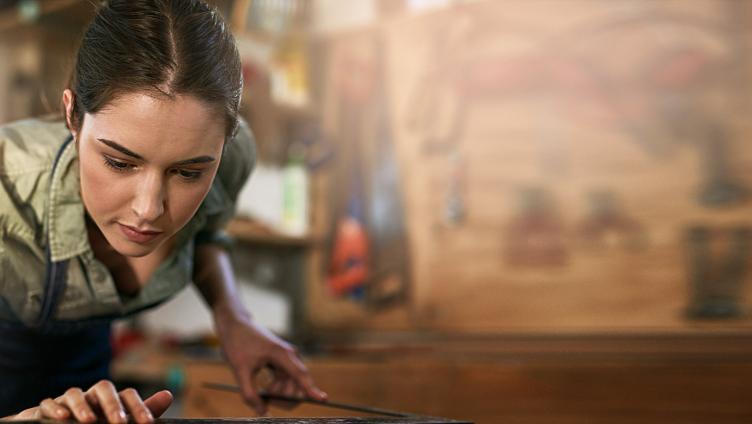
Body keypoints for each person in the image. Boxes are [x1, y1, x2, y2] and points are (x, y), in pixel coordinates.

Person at [0, 0, 326, 421]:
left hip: (84, 371)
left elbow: (206, 231)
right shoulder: (7, 194)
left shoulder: (232, 156)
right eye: (119, 162)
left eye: (188, 172)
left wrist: (232, 317)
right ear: (72, 115)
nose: (149, 209)